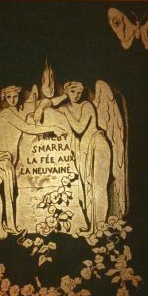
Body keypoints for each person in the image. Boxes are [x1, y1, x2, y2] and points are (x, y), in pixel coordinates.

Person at [0, 85, 64, 239]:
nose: (12, 100)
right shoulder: (6, 113)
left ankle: (4, 225)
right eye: (9, 97)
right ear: (5, 98)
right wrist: (52, 127)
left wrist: (64, 97)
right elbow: (27, 128)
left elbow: (48, 101)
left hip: (6, 158)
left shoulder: (21, 112)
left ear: (19, 96)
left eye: (15, 96)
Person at [48, 81, 111, 240]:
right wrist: (63, 97)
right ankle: (92, 228)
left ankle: (99, 227)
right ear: (67, 91)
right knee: (88, 188)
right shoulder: (66, 106)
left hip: (98, 145)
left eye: (79, 92)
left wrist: (65, 111)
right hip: (85, 149)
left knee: (99, 187)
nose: (76, 95)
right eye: (72, 91)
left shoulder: (86, 105)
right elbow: (46, 106)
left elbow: (79, 128)